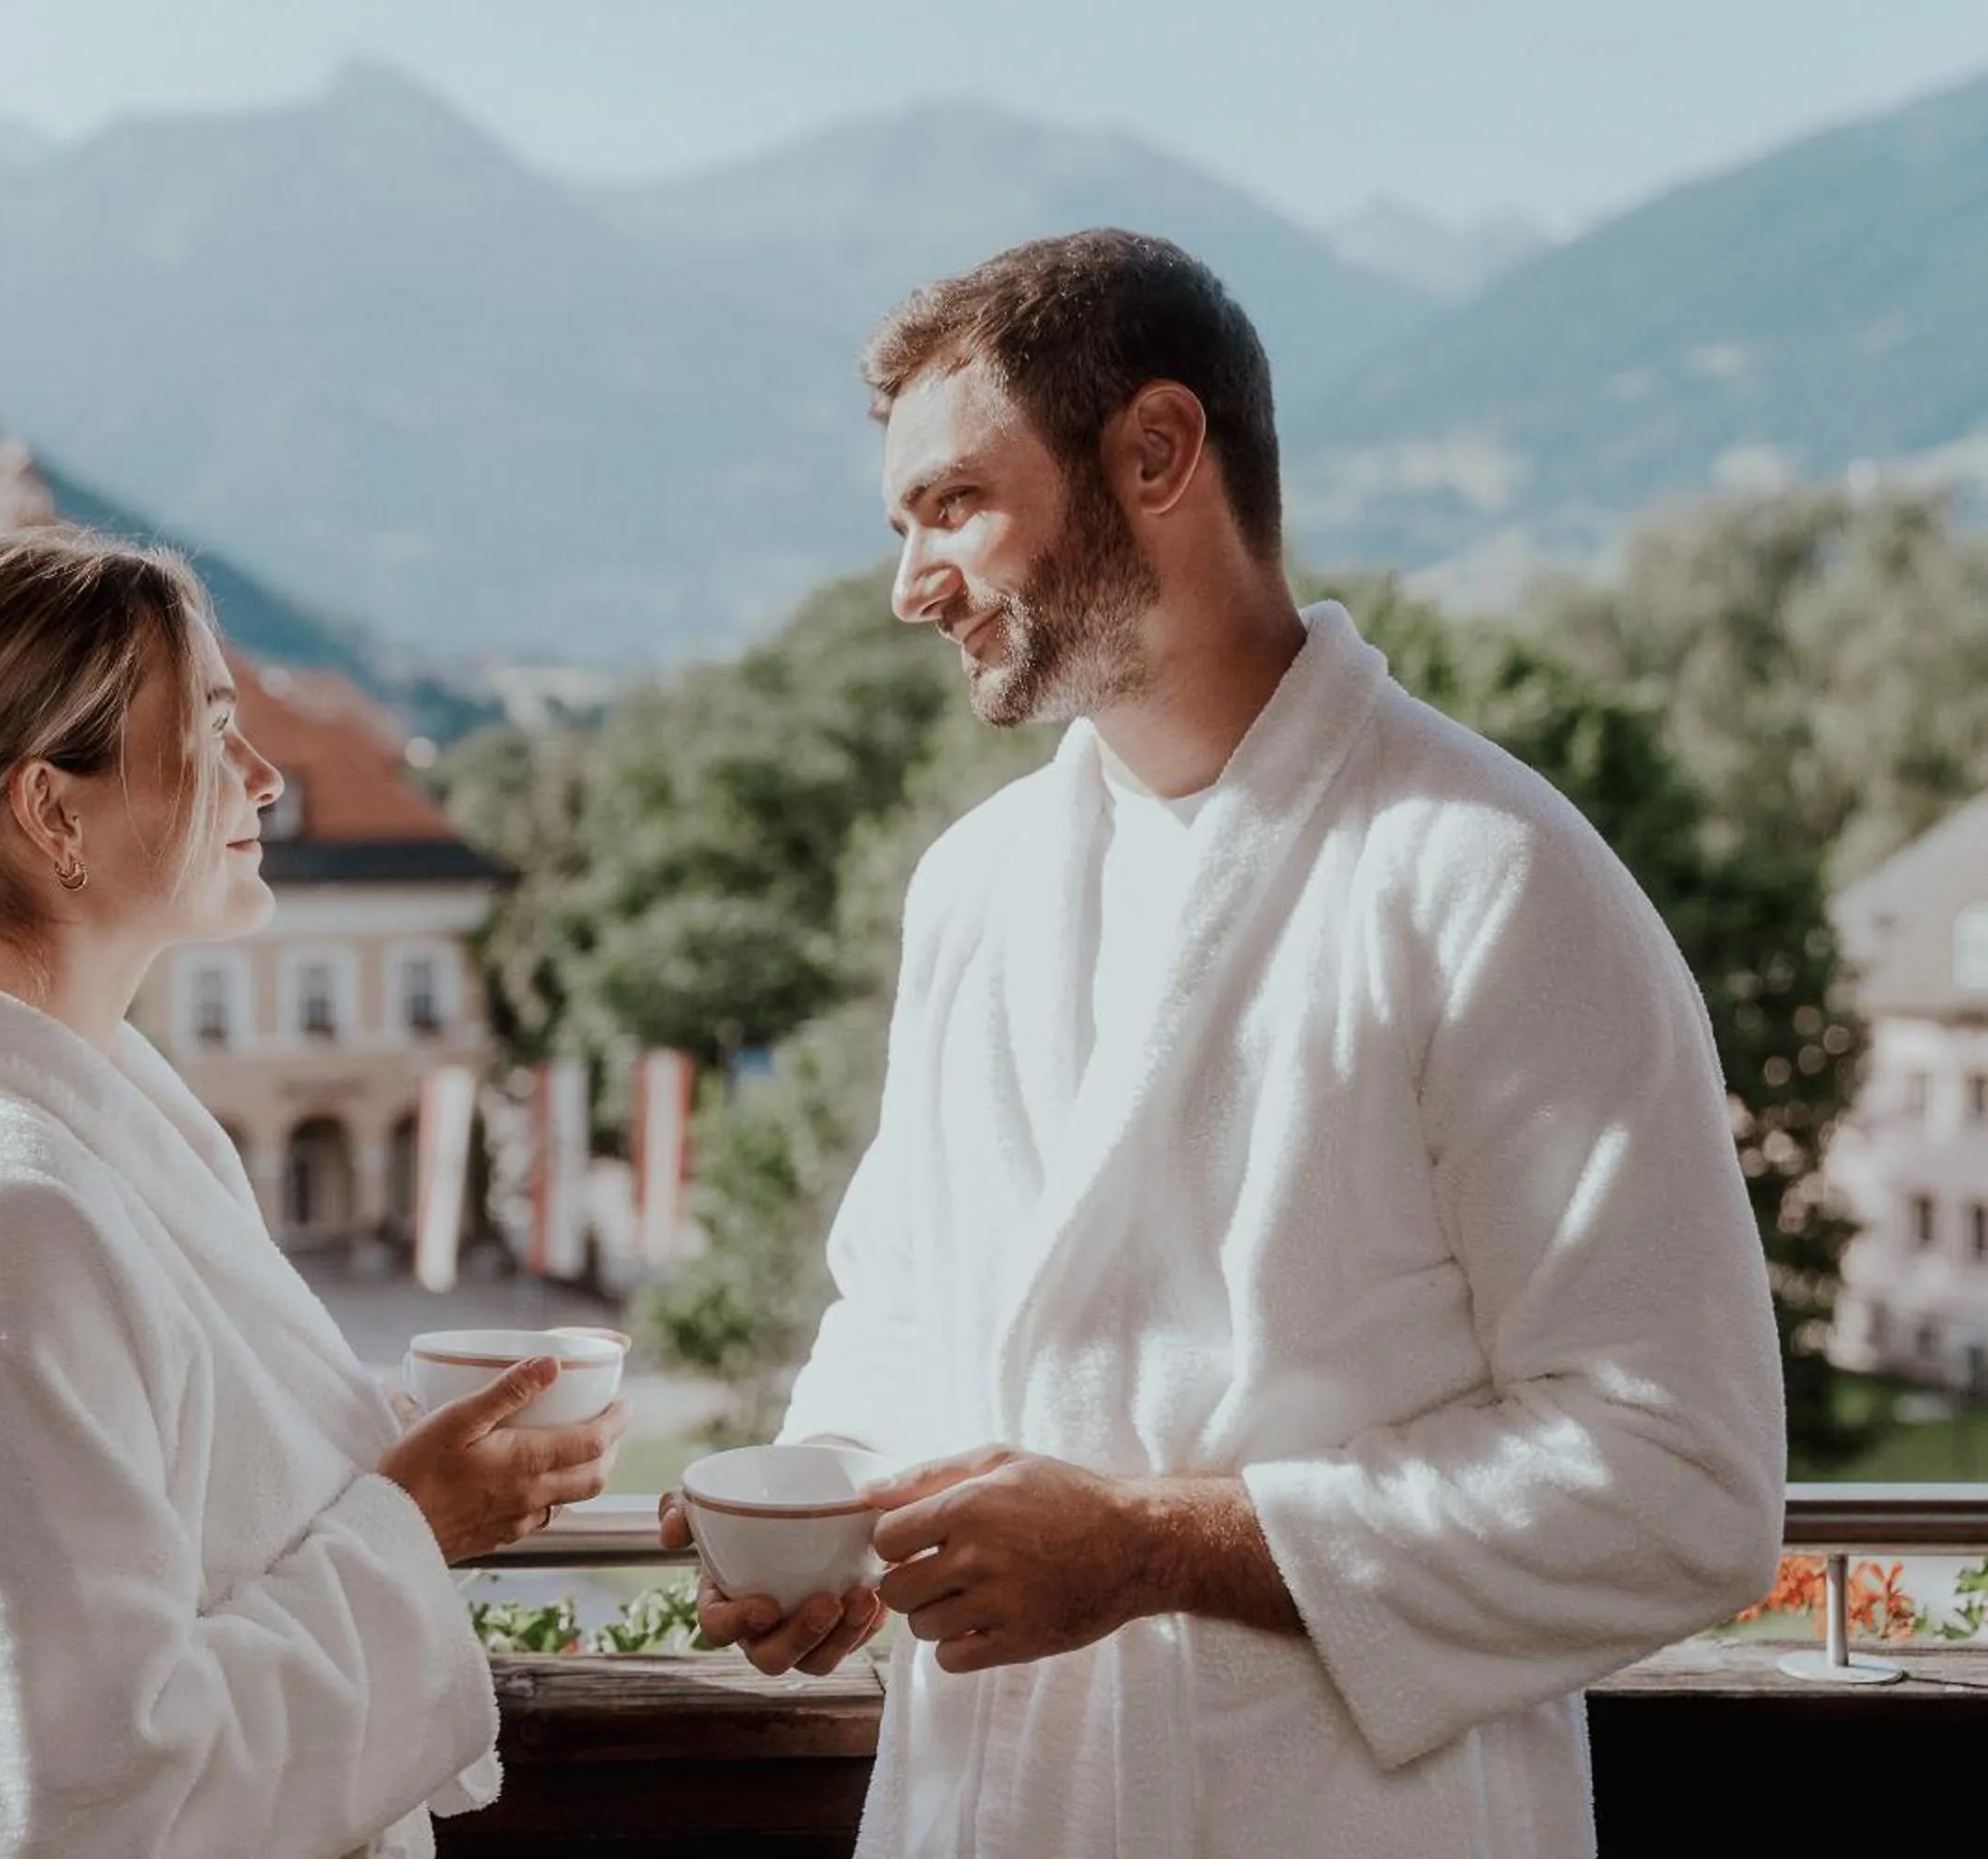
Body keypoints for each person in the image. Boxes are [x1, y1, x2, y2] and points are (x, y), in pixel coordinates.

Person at [660, 230, 1784, 1856]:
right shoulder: (973, 889)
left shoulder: (1489, 874)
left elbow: (1682, 1484)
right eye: (902, 524)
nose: (911, 586)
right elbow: (902, 1310)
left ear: (1159, 452)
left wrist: (1153, 1547)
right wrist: (837, 1502)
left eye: (954, 505)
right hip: (998, 1807)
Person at [0, 528, 623, 1859]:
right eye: (216, 732)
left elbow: (167, 1504)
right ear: (55, 811)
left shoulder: (82, 1128)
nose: (266, 777)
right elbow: (88, 1795)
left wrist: (358, 1453)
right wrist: (414, 1523)